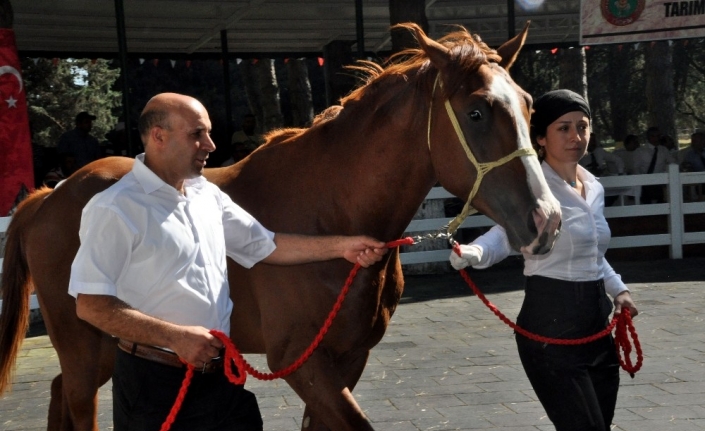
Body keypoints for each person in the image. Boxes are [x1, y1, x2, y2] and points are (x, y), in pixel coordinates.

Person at [68, 93, 388, 431]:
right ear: (158, 136)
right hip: (153, 385)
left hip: (219, 378)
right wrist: (175, 336)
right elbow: (90, 305)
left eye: (207, 132)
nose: (210, 144)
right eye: (196, 134)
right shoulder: (114, 208)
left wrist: (343, 247)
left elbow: (266, 245)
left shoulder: (206, 194)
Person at [449, 89, 638, 431]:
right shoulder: (532, 187)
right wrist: (475, 252)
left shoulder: (593, 186)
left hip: (597, 326)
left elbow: (592, 252)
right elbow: (506, 234)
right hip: (551, 328)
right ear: (540, 137)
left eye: (582, 126)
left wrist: (618, 290)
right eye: (563, 128)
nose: (575, 136)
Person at [631, 126, 676, 203]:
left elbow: (672, 162)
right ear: (648, 137)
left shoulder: (663, 150)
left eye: (658, 136)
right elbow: (636, 168)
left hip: (661, 180)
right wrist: (640, 181)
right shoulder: (640, 151)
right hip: (645, 181)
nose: (656, 139)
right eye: (653, 136)